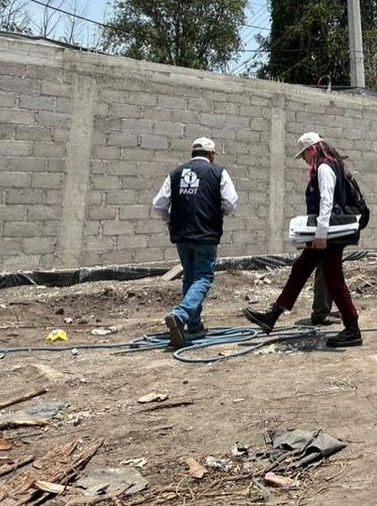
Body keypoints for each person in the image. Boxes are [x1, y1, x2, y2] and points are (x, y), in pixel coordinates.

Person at [243, 132, 363, 348]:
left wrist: (320, 235)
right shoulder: (330, 165)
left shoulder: (325, 168)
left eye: (304, 155)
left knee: (334, 281)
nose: (304, 160)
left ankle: (353, 329)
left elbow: (327, 201)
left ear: (312, 150)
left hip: (328, 237)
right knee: (301, 269)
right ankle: (273, 316)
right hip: (327, 235)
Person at [151, 136, 239, 348]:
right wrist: (219, 213)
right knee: (204, 278)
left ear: (193, 154)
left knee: (190, 278)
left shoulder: (175, 174)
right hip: (206, 234)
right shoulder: (218, 172)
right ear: (211, 155)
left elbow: (158, 204)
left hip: (181, 235)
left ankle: (194, 325)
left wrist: (169, 220)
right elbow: (231, 201)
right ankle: (181, 315)